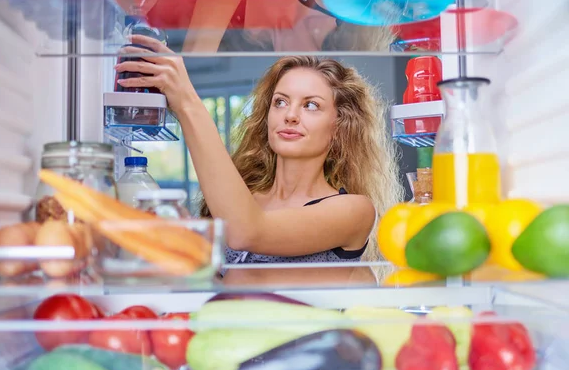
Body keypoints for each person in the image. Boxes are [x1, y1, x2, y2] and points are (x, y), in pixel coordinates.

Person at [115, 35, 404, 264]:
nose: (290, 115)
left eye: (311, 105)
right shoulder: (242, 199)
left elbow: (248, 232)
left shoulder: (353, 211)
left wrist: (186, 102)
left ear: (339, 128)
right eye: (280, 102)